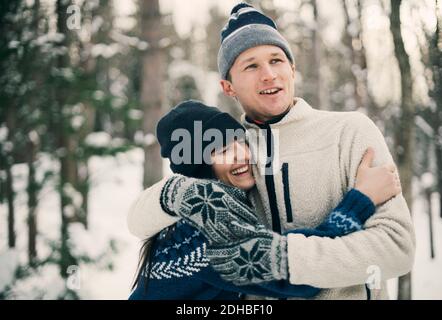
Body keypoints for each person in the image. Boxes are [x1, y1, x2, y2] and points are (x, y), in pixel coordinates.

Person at [128, 3, 415, 299]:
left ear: (292, 69)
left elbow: (397, 249)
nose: (269, 75)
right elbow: (137, 220)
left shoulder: (349, 132)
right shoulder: (220, 184)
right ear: (228, 86)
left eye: (277, 60)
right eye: (251, 65)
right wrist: (359, 202)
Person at [129, 101, 400, 300]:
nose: (241, 155)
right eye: (223, 150)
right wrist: (361, 199)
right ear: (199, 168)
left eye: (240, 142)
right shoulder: (203, 224)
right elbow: (295, 276)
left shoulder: (209, 208)